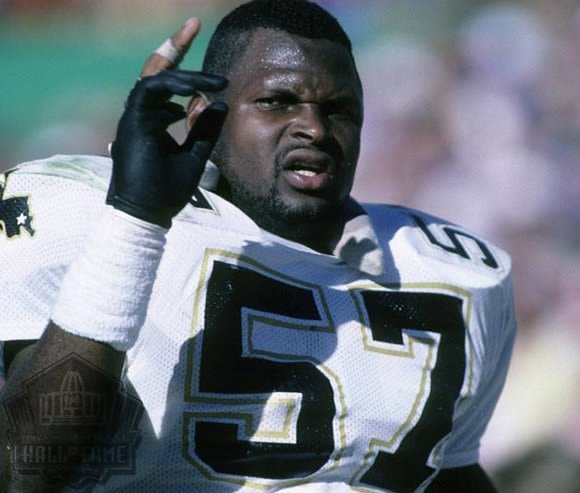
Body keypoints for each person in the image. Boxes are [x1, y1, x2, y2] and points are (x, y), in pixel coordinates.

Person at [0, 1, 516, 491]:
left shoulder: (453, 272)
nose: (314, 128)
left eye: (339, 110)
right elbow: (23, 470)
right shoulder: (75, 209)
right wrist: (136, 219)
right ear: (205, 114)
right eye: (277, 102)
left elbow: (443, 475)